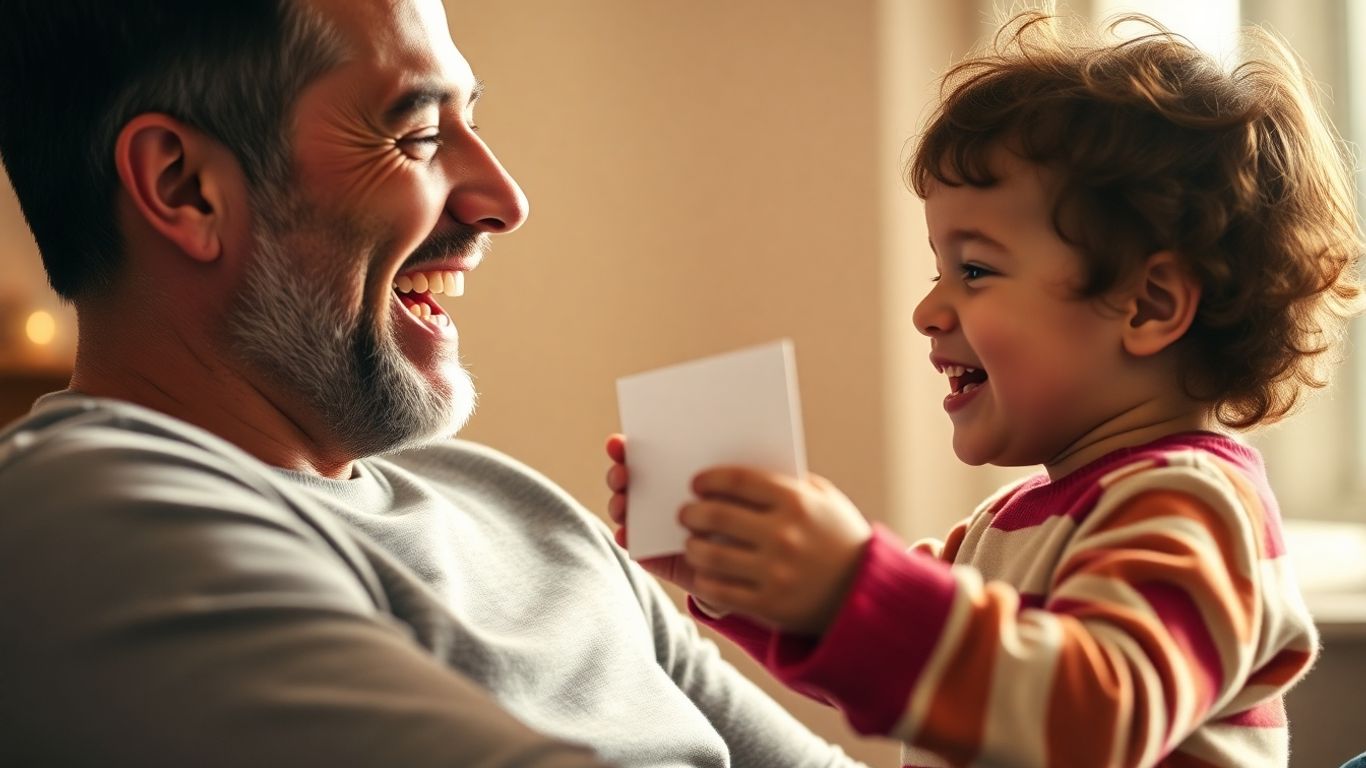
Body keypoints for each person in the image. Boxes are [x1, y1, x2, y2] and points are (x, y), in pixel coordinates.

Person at [0, 2, 865, 767]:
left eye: (472, 121)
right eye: (416, 135)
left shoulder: (519, 509)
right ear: (184, 188)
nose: (504, 199)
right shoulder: (77, 520)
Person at [606, 11, 1362, 767]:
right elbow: (907, 664)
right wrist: (751, 580)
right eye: (940, 270)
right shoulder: (1009, 522)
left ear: (1148, 305)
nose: (927, 311)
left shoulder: (1196, 507)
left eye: (974, 270)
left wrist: (845, 584)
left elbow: (1098, 717)